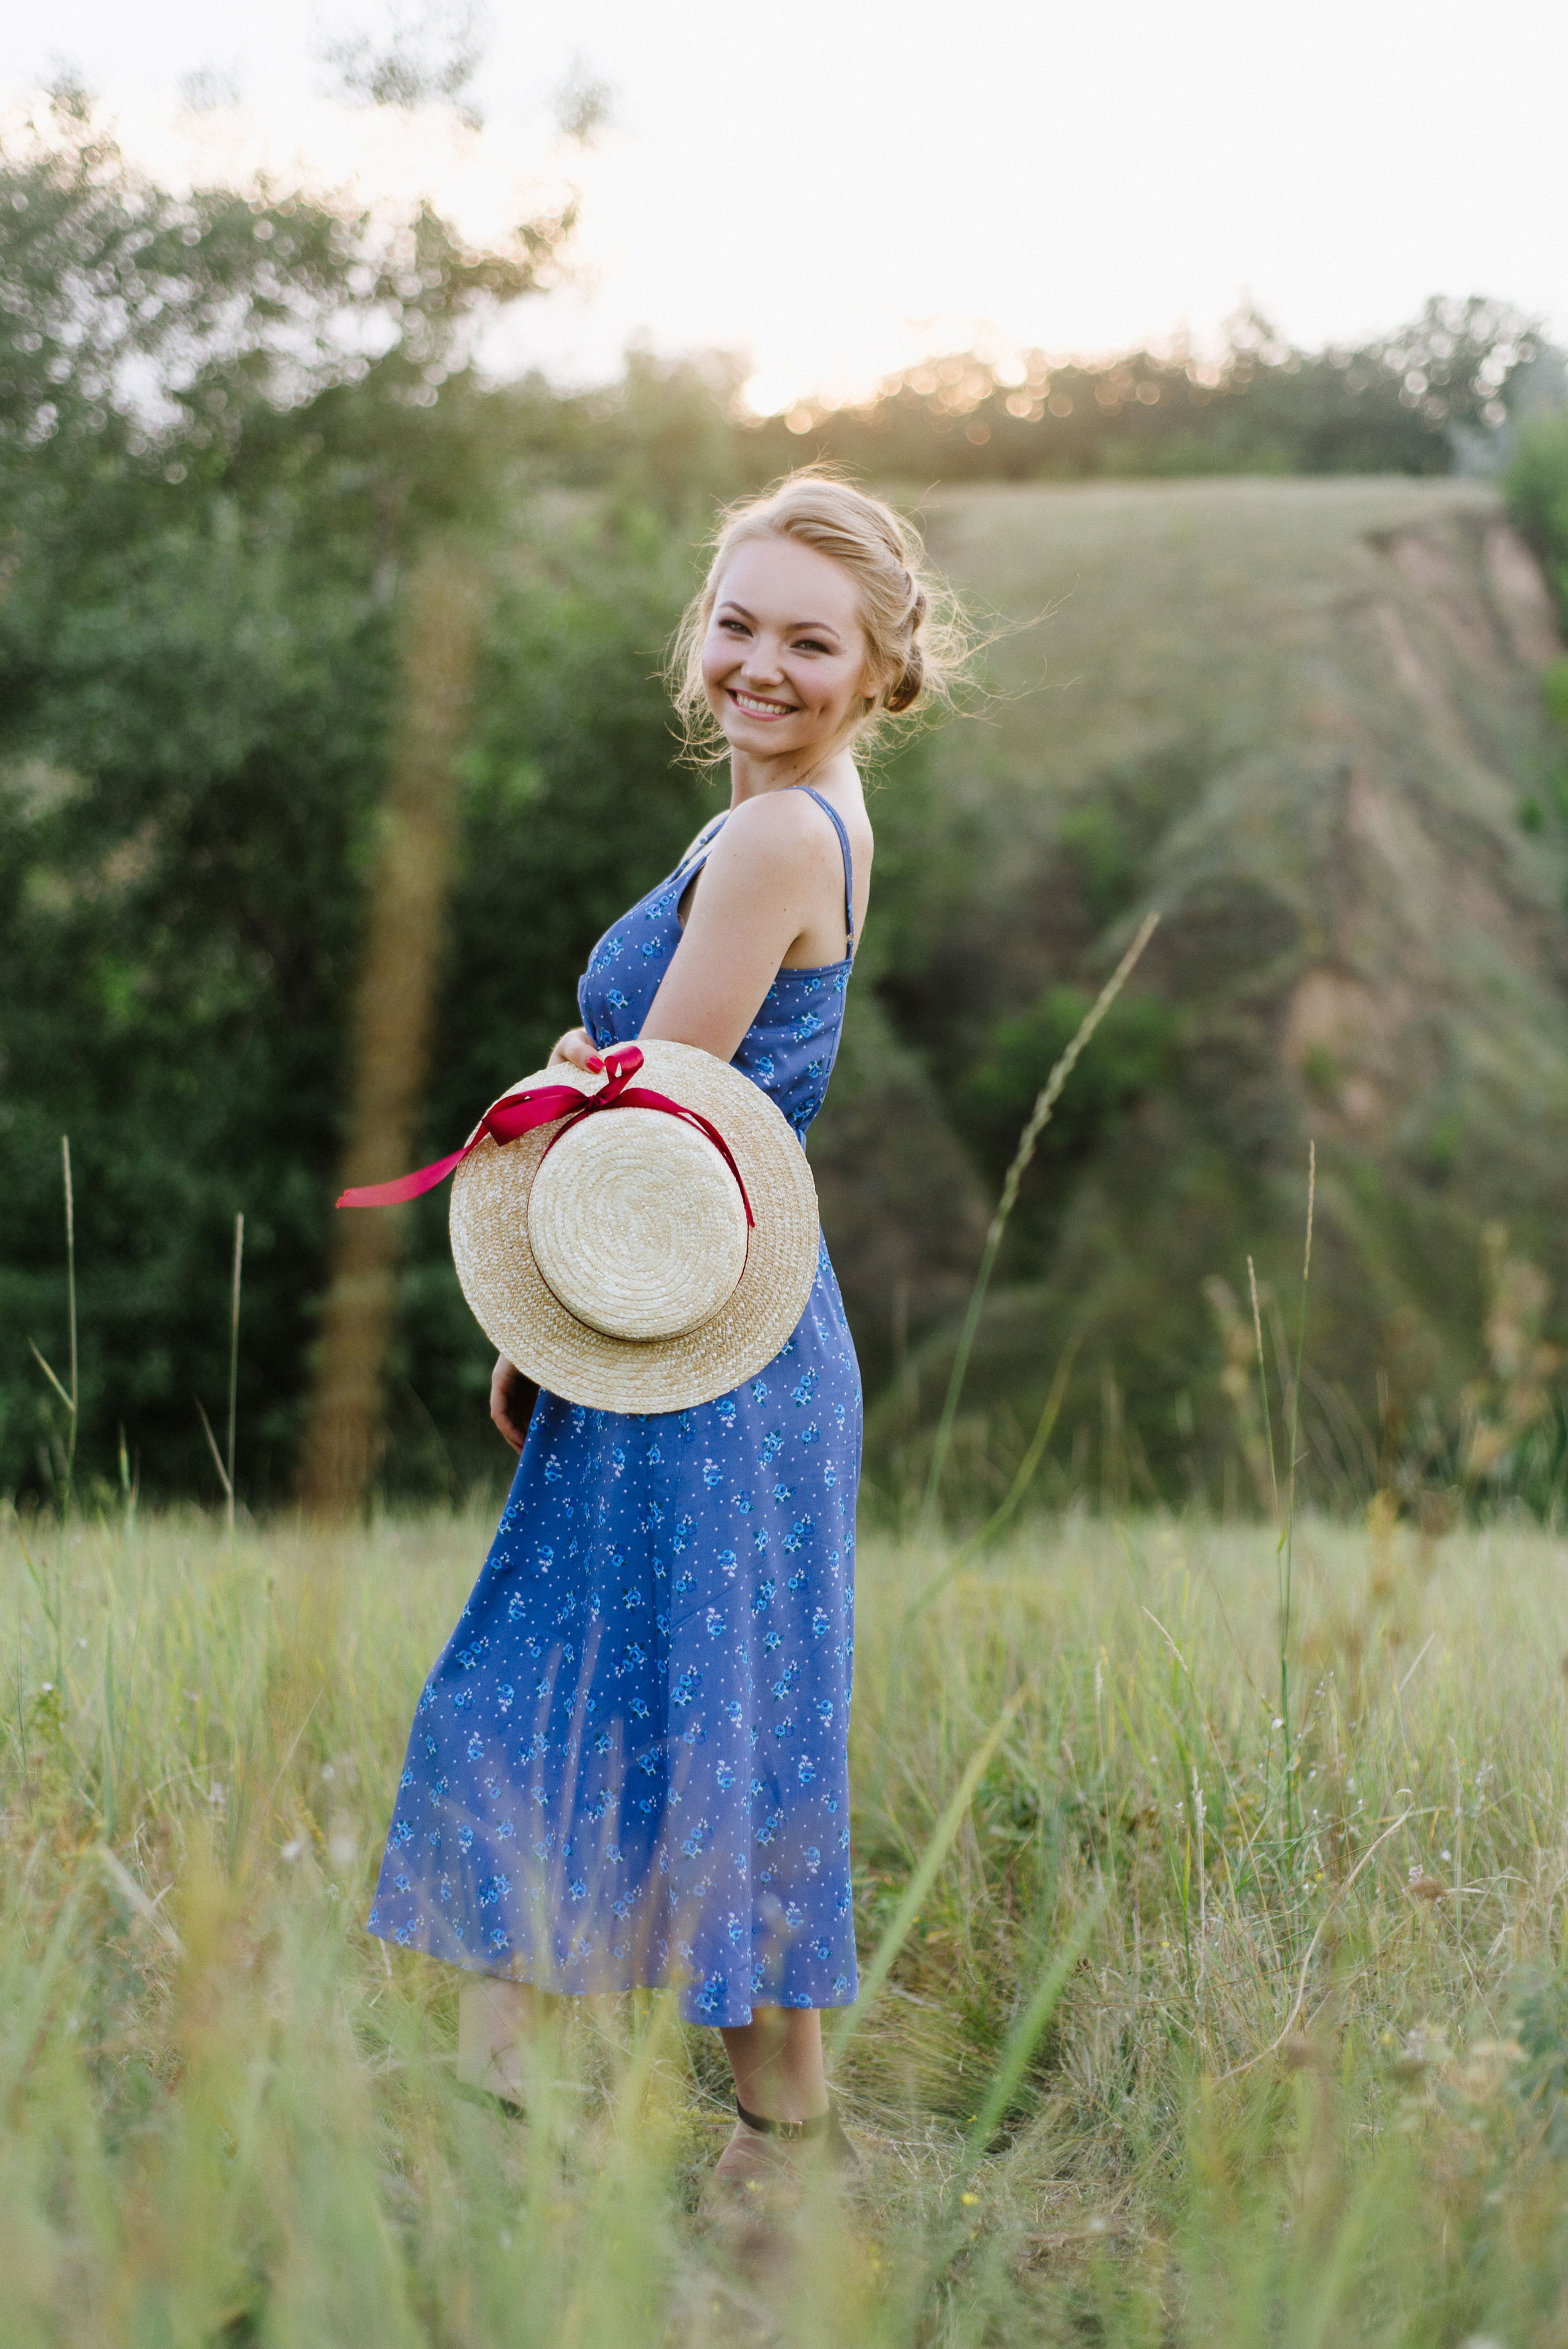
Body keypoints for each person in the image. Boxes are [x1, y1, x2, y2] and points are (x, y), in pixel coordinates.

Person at [367, 469, 960, 2187]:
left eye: (808, 639)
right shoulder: (778, 814)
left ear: (878, 672)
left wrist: (547, 1305)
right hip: (720, 1308)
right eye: (738, 621)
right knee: (713, 1696)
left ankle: (509, 2130)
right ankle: (768, 2147)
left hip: (694, 1316)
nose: (760, 662)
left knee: (572, 1682)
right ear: (699, 630)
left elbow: (654, 1103)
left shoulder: (782, 831)